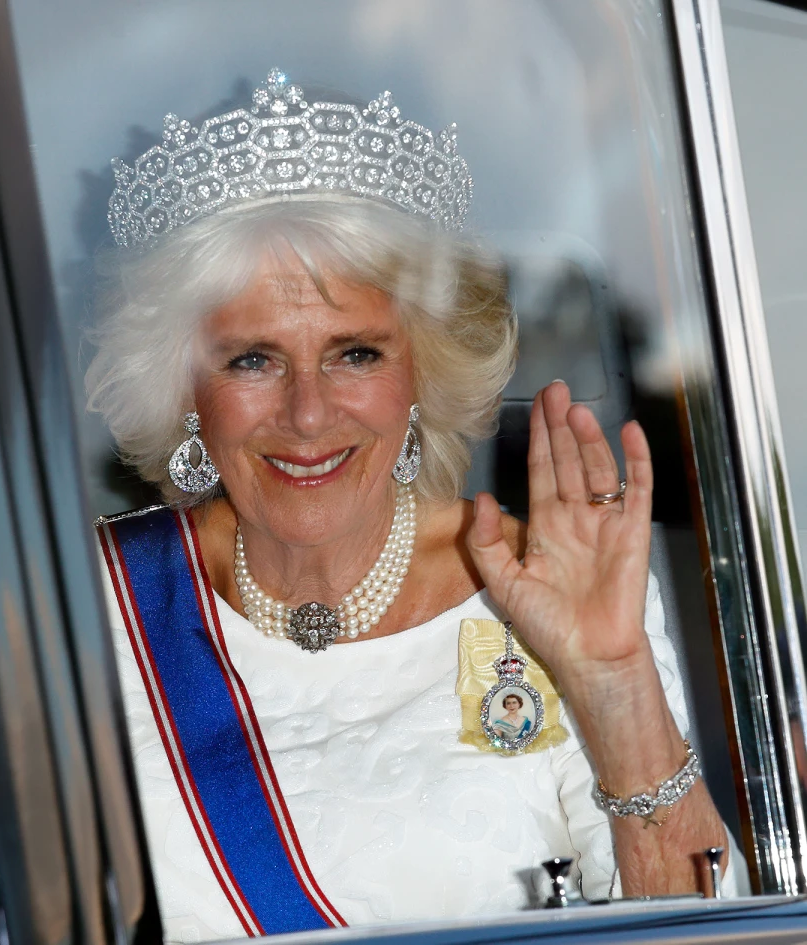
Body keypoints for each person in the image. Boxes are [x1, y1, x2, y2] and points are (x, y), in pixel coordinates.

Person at [88, 70, 741, 938]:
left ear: (420, 373)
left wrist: (614, 682)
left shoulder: (538, 592)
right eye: (252, 359)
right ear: (184, 390)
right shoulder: (92, 606)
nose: (308, 413)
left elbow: (703, 928)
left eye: (355, 353)